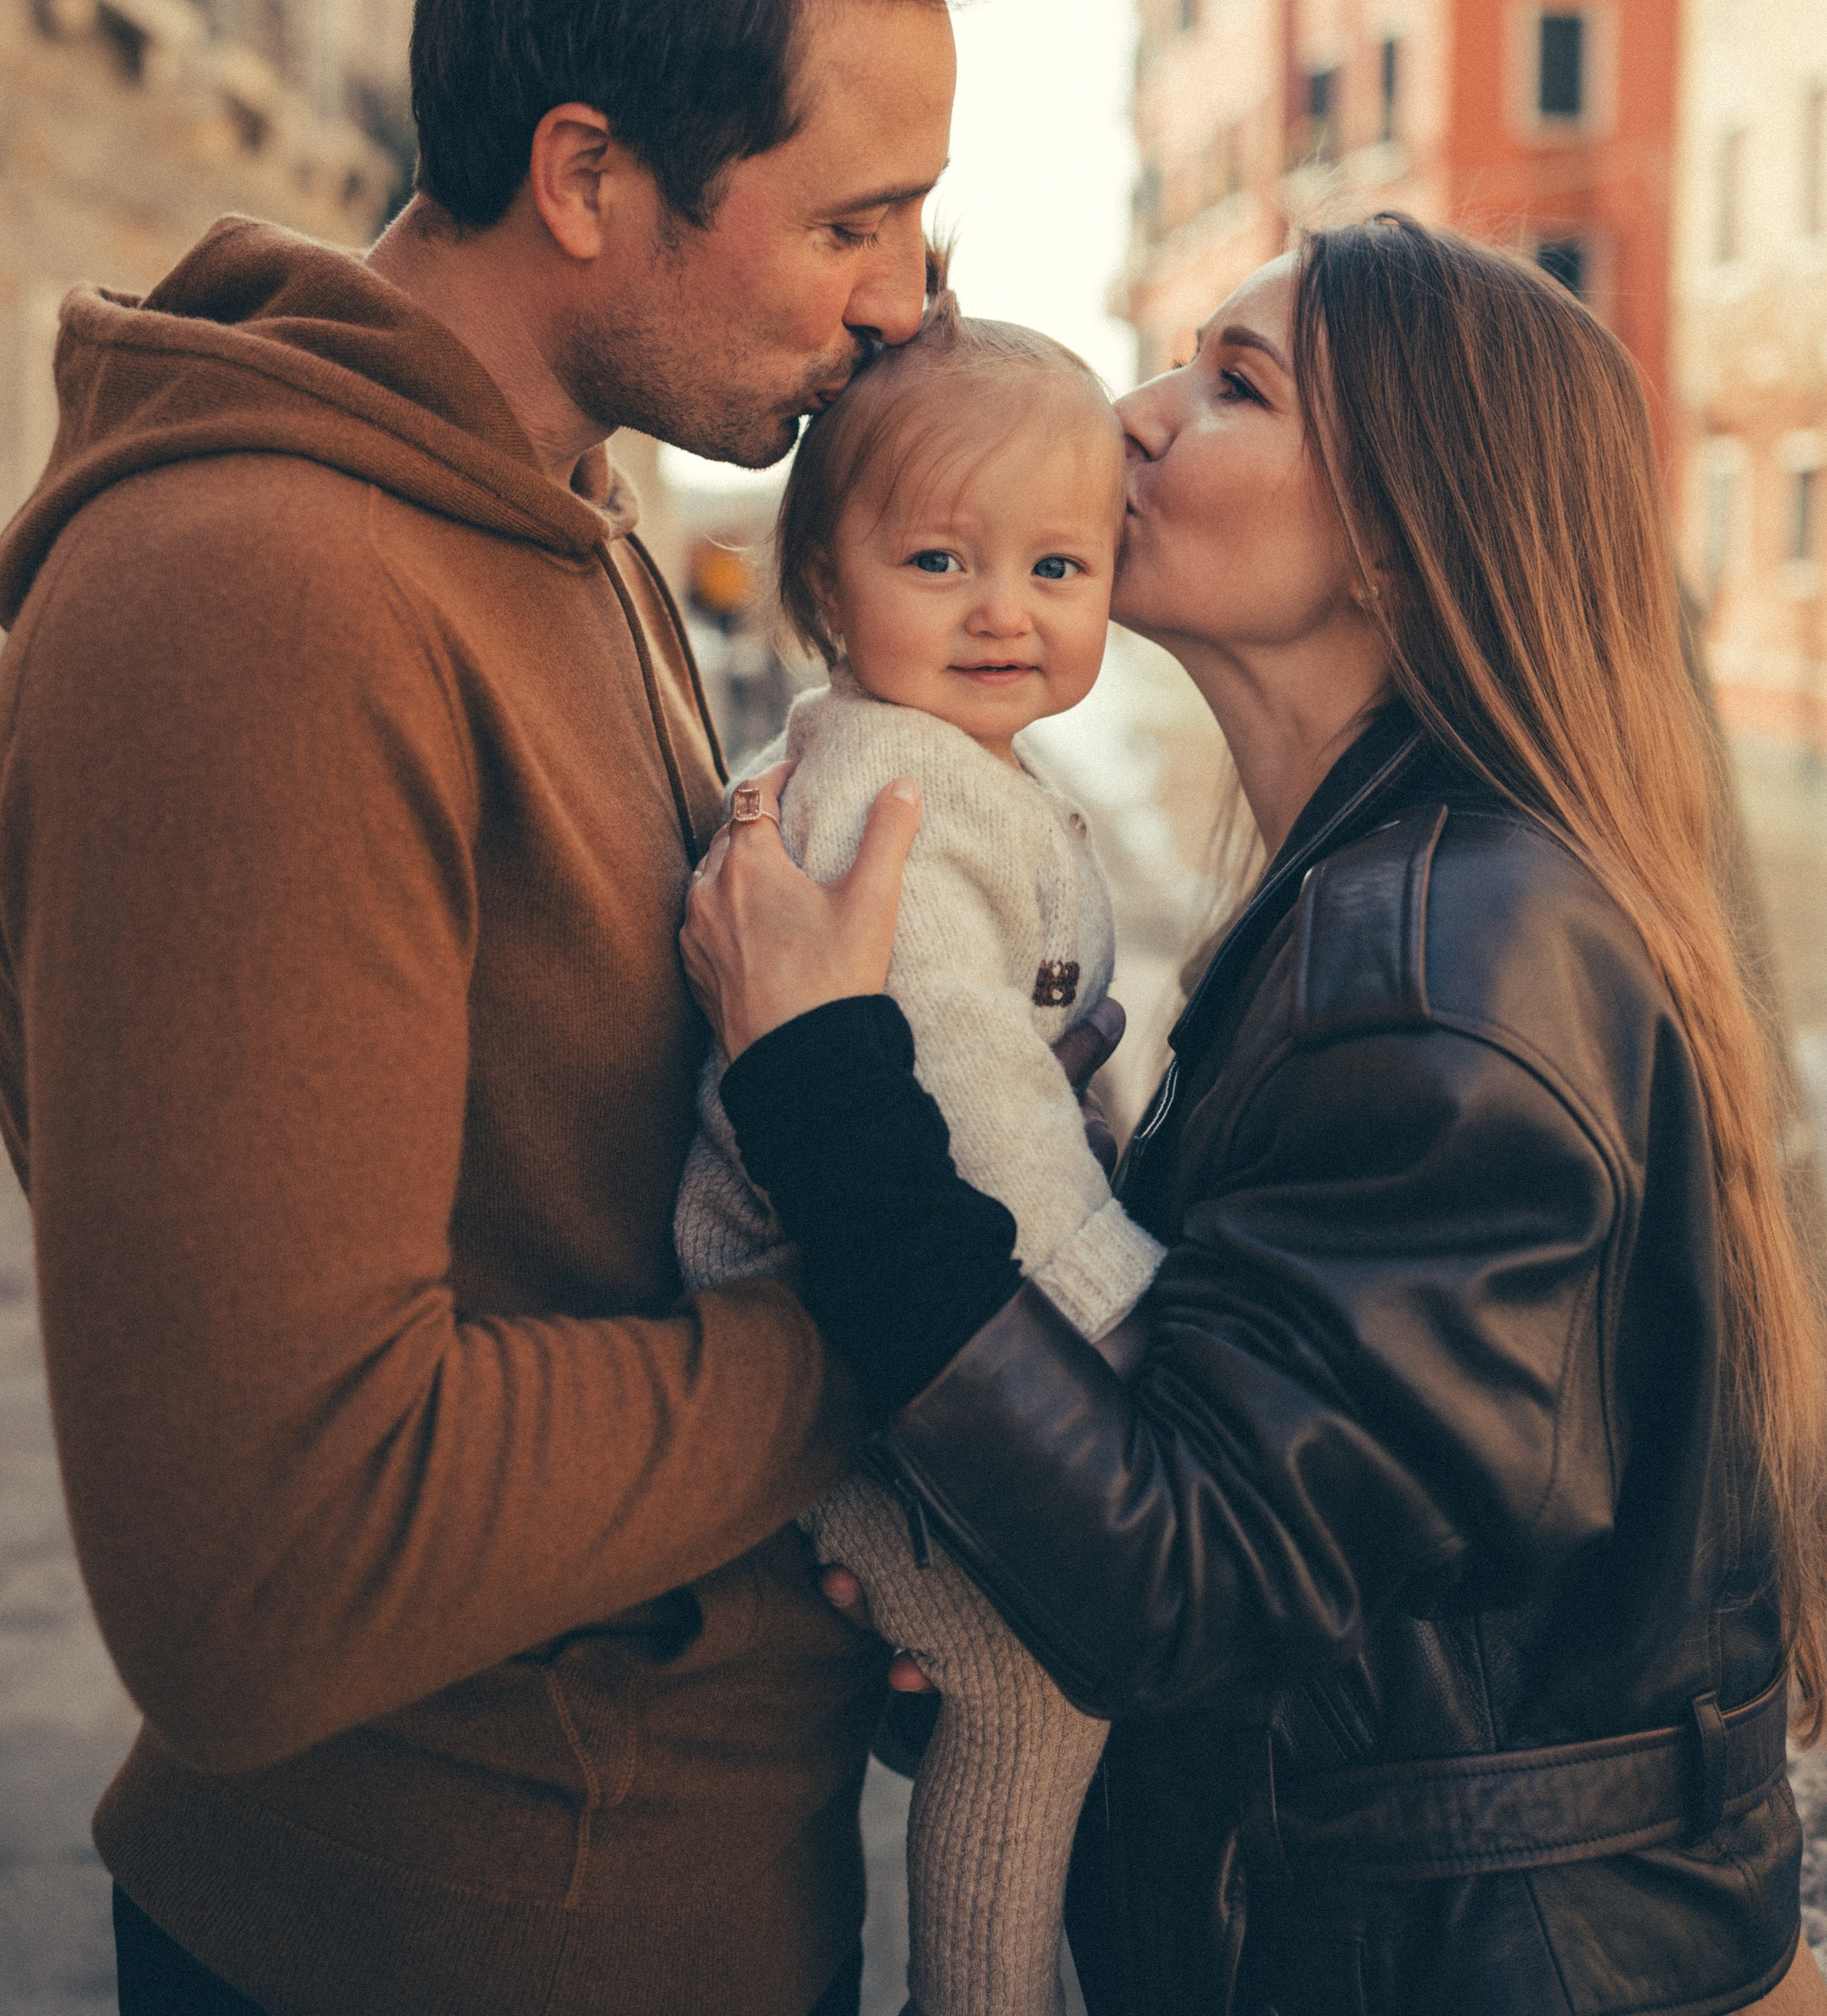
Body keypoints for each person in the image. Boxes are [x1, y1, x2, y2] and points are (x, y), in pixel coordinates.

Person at [0, 0, 1002, 2016]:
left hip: (671, 1890)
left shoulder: (567, 511)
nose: (905, 305)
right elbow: (267, 1561)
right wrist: (903, 1327)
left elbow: (574, 1195)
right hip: (436, 1938)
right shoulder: (257, 599)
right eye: (853, 218)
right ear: (586, 175)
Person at [683, 213, 1827, 2016]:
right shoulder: (1385, 888)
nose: (1132, 419)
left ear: (1396, 527)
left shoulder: (1440, 952)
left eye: (1231, 385)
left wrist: (821, 1084)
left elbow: (1184, 1569)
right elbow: (1314, 1554)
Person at [675, 290, 1162, 2016]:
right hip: (843, 1309)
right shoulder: (898, 792)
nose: (1002, 614)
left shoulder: (953, 768)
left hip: (878, 1297)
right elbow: (966, 1080)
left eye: (1057, 568)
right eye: (939, 560)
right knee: (1023, 1689)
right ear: (822, 581)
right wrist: (1121, 1311)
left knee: (1005, 1674)